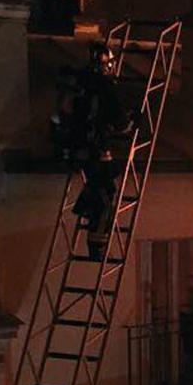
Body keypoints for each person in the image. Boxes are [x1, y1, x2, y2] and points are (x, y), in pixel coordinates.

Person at [50, 44, 134, 260]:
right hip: (96, 152)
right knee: (106, 199)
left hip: (74, 150)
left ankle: (88, 214)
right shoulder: (105, 87)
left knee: (99, 191)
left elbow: (62, 114)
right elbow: (121, 121)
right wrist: (134, 121)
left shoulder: (78, 81)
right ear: (106, 64)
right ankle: (96, 248)